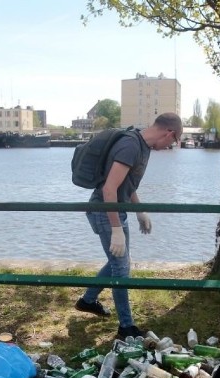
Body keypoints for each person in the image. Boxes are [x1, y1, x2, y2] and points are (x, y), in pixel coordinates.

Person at [74, 112, 183, 340]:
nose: (168, 147)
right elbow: (109, 189)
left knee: (119, 263)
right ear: (169, 133)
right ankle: (126, 328)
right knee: (121, 269)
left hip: (116, 210)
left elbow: (128, 184)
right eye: (172, 142)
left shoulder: (143, 146)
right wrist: (115, 229)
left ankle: (87, 301)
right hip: (104, 211)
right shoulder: (130, 146)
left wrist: (139, 211)